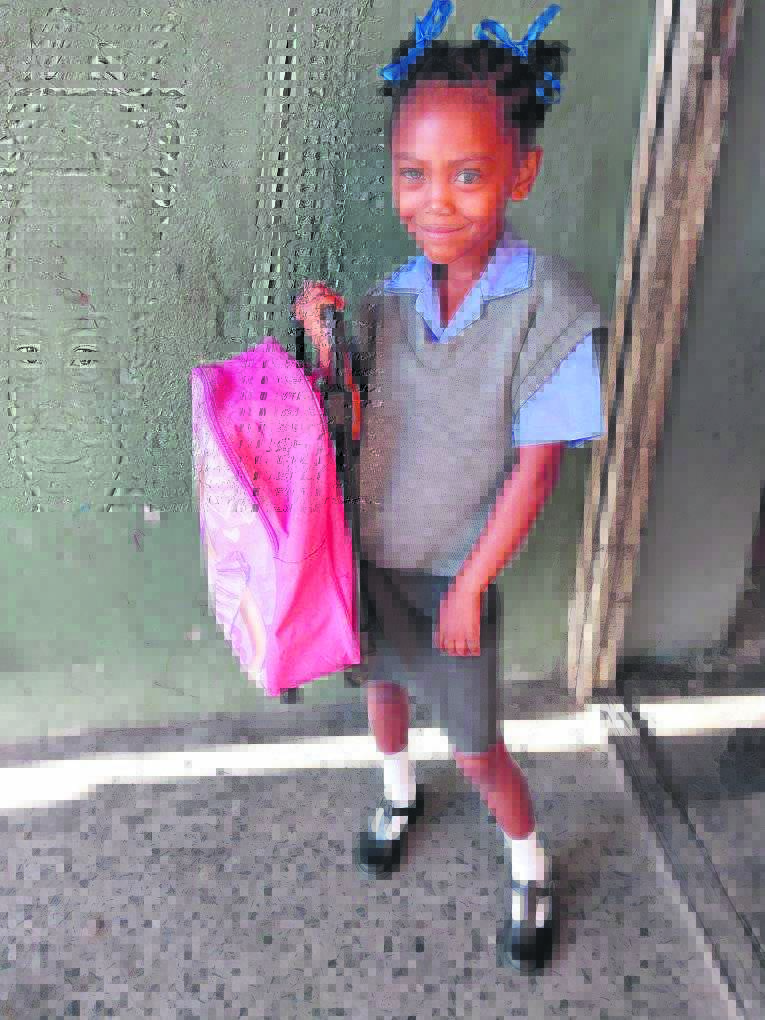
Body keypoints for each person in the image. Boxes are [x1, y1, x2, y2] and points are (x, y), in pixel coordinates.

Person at [293, 1, 604, 973]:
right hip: (373, 554)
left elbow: (538, 464)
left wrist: (470, 585)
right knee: (382, 689)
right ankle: (396, 792)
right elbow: (359, 414)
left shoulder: (551, 313)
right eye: (412, 173)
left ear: (522, 173)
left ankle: (529, 864)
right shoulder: (390, 299)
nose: (436, 201)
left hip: (451, 580)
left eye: (468, 174)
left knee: (475, 748)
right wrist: (323, 341)